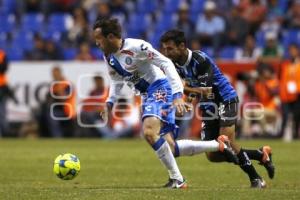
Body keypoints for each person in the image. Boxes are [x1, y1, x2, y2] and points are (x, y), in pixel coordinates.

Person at [93, 18, 238, 188]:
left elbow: (166, 63)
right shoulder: (109, 57)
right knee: (170, 147)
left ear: (110, 36)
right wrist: (109, 103)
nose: (96, 43)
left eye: (99, 39)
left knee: (148, 131)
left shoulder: (137, 47)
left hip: (159, 87)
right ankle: (217, 145)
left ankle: (178, 179)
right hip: (147, 95)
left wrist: (177, 95)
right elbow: (116, 79)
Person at [160, 29, 275, 188]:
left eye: (170, 49)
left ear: (181, 46)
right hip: (208, 106)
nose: (166, 52)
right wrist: (188, 101)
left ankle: (256, 179)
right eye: (164, 49)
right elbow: (193, 85)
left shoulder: (200, 59)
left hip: (225, 100)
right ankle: (260, 154)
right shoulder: (175, 64)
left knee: (226, 143)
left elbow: (205, 90)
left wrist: (180, 90)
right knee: (213, 154)